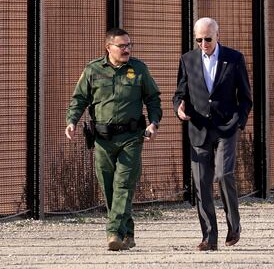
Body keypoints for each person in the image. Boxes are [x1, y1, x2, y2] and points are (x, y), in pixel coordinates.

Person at [65, 27, 162, 251]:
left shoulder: (138, 69)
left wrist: (154, 123)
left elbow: (153, 98)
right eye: (122, 46)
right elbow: (79, 99)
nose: (127, 49)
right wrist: (72, 121)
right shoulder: (93, 70)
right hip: (102, 140)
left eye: (129, 45)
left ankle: (113, 233)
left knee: (124, 185)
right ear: (108, 47)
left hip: (131, 137)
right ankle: (127, 233)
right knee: (108, 187)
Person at [173, 17, 252, 251]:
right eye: (199, 39)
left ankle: (233, 225)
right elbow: (180, 92)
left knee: (224, 173)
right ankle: (209, 236)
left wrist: (239, 121)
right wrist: (179, 107)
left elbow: (246, 97)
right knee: (201, 182)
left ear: (217, 35)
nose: (204, 43)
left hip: (226, 127)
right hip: (198, 128)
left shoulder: (234, 58)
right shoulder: (187, 60)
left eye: (208, 38)